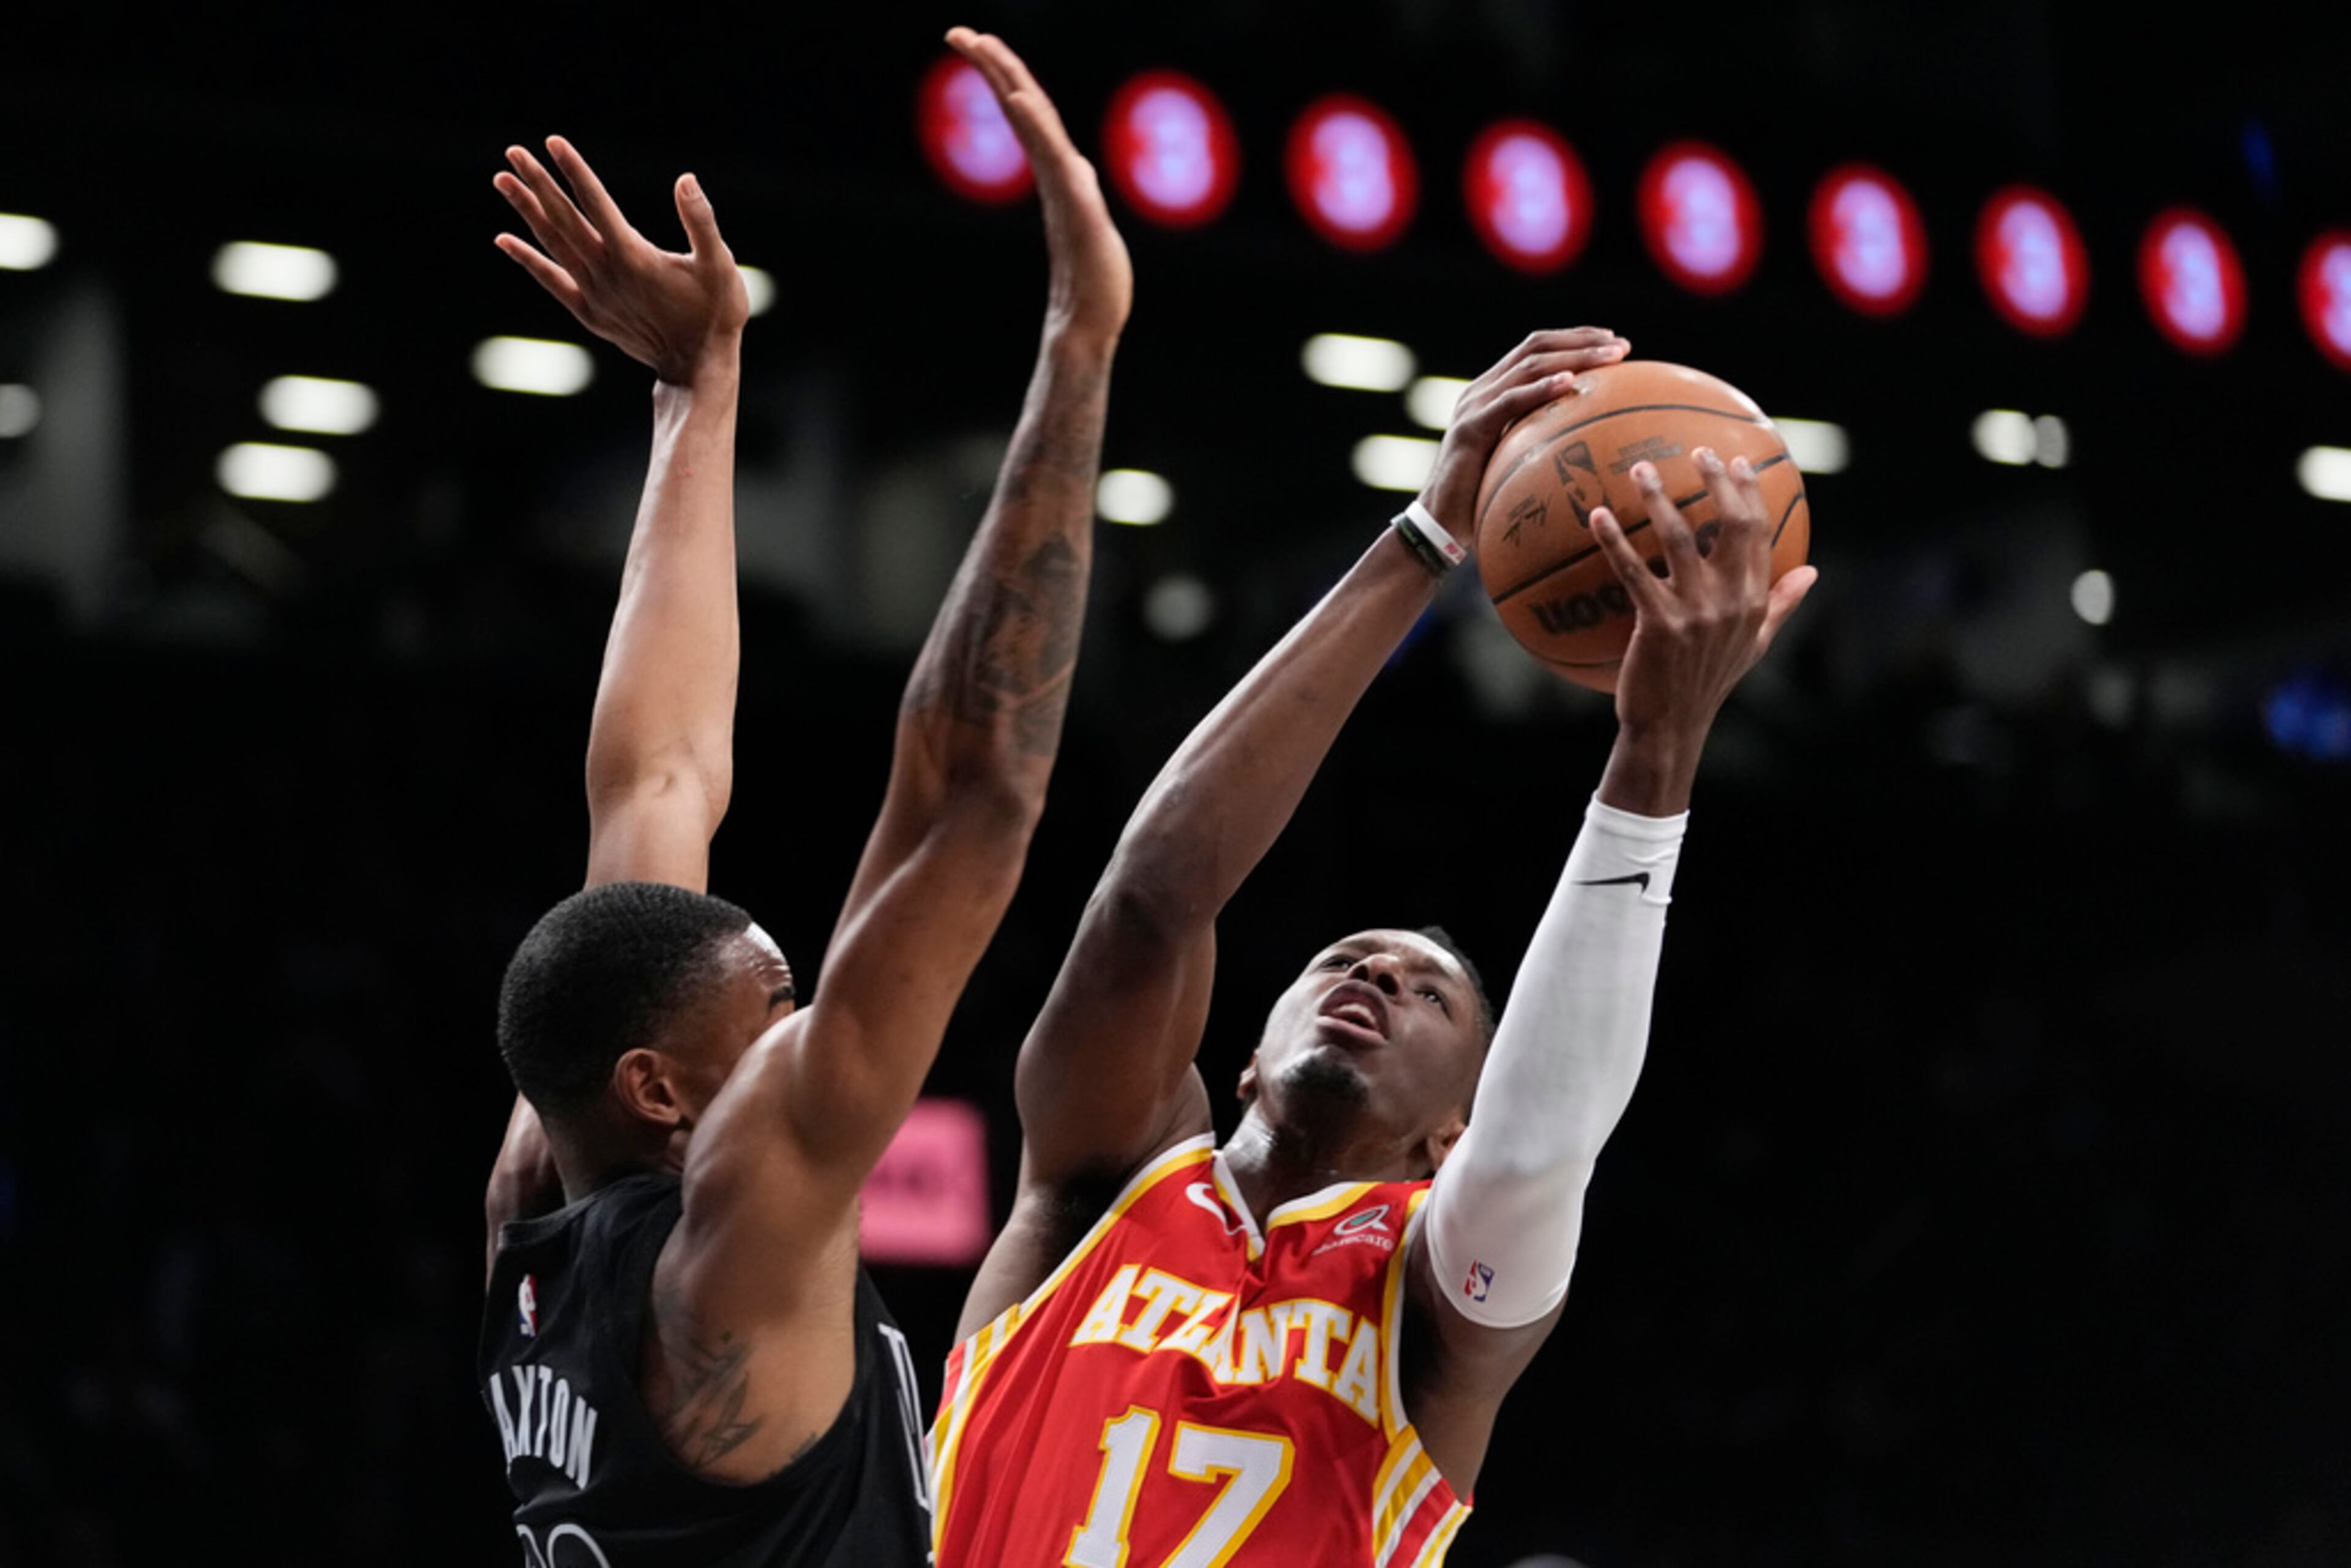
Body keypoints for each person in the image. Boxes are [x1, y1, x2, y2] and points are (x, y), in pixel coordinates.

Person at [929, 333, 1818, 1566]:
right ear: (1243, 1059)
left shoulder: (1433, 1314)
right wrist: (1424, 535)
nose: (1380, 977)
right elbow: (1151, 908)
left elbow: (1538, 1151)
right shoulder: (1095, 1191)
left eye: (1433, 999)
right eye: (1347, 960)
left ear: (1447, 1135)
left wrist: (1654, 760)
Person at [474, 29, 1130, 1566]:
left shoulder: (541, 1207)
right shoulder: (730, 1260)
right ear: (663, 1088)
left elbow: (657, 775)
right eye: (770, 1009)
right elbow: (972, 799)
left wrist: (698, 393)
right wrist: (1077, 351)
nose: (802, 1022)